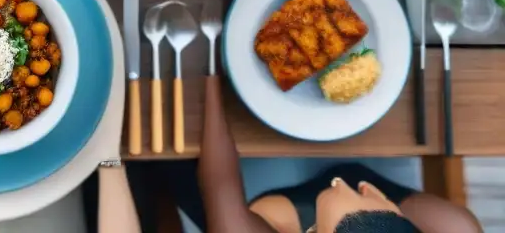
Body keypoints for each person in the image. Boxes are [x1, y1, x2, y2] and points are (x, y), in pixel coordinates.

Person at [189, 75, 482, 232]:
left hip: (266, 194)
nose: (340, 183)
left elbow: (221, 186)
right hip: (387, 203)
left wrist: (209, 70)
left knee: (184, 171)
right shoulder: (451, 225)